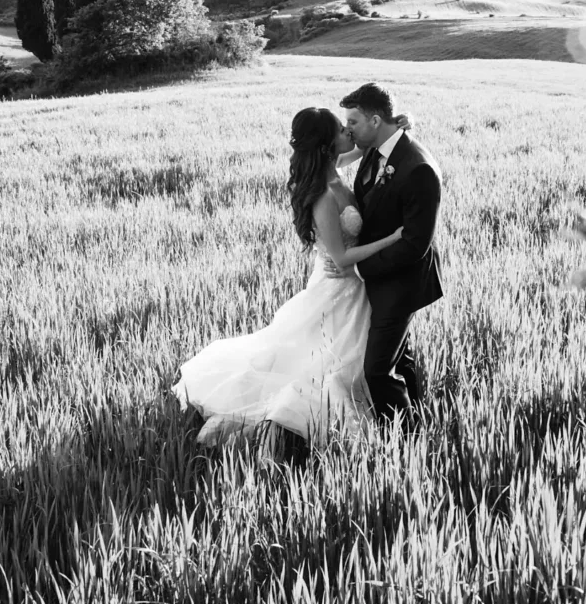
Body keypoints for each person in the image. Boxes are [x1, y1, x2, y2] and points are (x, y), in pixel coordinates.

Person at [173, 107, 411, 446]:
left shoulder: (333, 169)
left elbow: (365, 147)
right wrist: (393, 239)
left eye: (349, 127)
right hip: (340, 285)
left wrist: (395, 127)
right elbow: (341, 259)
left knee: (352, 358)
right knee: (329, 364)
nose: (350, 133)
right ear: (329, 144)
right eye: (343, 130)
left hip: (357, 286)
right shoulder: (324, 195)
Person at [341, 82, 443, 426]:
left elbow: (416, 244)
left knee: (377, 371)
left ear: (373, 120)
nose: (348, 129)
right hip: (379, 276)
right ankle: (420, 418)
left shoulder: (418, 168)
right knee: (400, 357)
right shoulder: (374, 148)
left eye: (353, 122)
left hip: (400, 283)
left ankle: (406, 440)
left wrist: (362, 269)